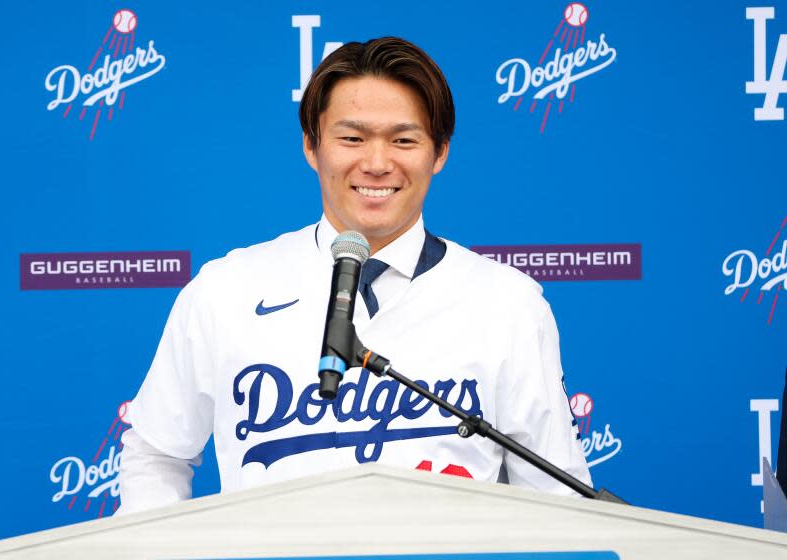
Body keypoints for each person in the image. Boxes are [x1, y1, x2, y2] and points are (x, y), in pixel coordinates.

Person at [117, 37, 590, 514]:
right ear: (311, 146)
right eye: (352, 138)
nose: (378, 163)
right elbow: (156, 454)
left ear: (440, 152)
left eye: (404, 140)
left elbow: (557, 493)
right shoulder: (224, 290)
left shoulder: (507, 303)